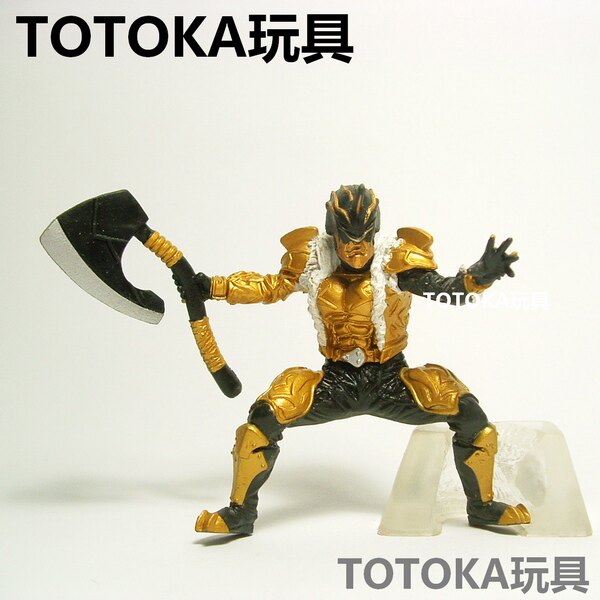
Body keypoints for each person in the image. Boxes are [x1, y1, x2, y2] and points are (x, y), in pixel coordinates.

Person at [189, 183, 529, 535]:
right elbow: (270, 286)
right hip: (336, 381)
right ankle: (240, 514)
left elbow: (445, 290)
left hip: (390, 380)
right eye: (347, 239)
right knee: (262, 419)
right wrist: (214, 286)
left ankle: (482, 507)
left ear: (375, 233)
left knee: (471, 416)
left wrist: (477, 277)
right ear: (333, 234)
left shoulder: (396, 262)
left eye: (365, 238)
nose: (357, 248)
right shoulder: (313, 261)